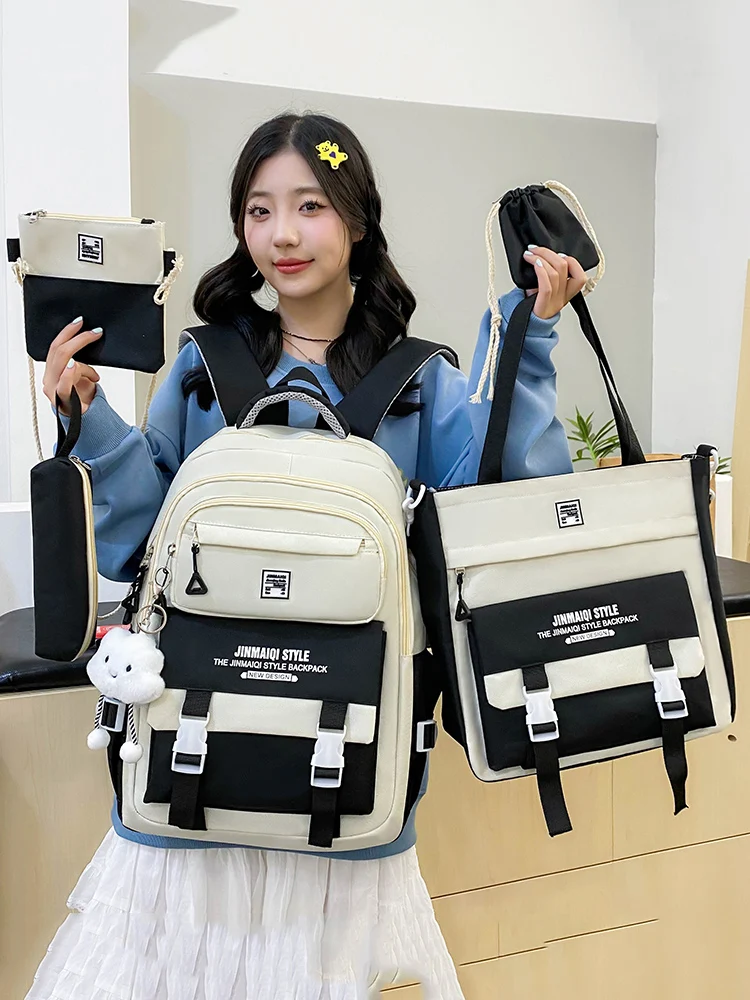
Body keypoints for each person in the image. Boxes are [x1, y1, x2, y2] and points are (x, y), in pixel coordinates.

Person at [28, 112, 585, 1000]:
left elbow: (502, 508)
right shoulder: (202, 367)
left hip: (346, 762)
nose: (282, 234)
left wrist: (531, 334)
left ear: (357, 221)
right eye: (259, 210)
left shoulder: (422, 382)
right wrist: (87, 417)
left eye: (310, 206)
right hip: (198, 756)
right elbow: (139, 544)